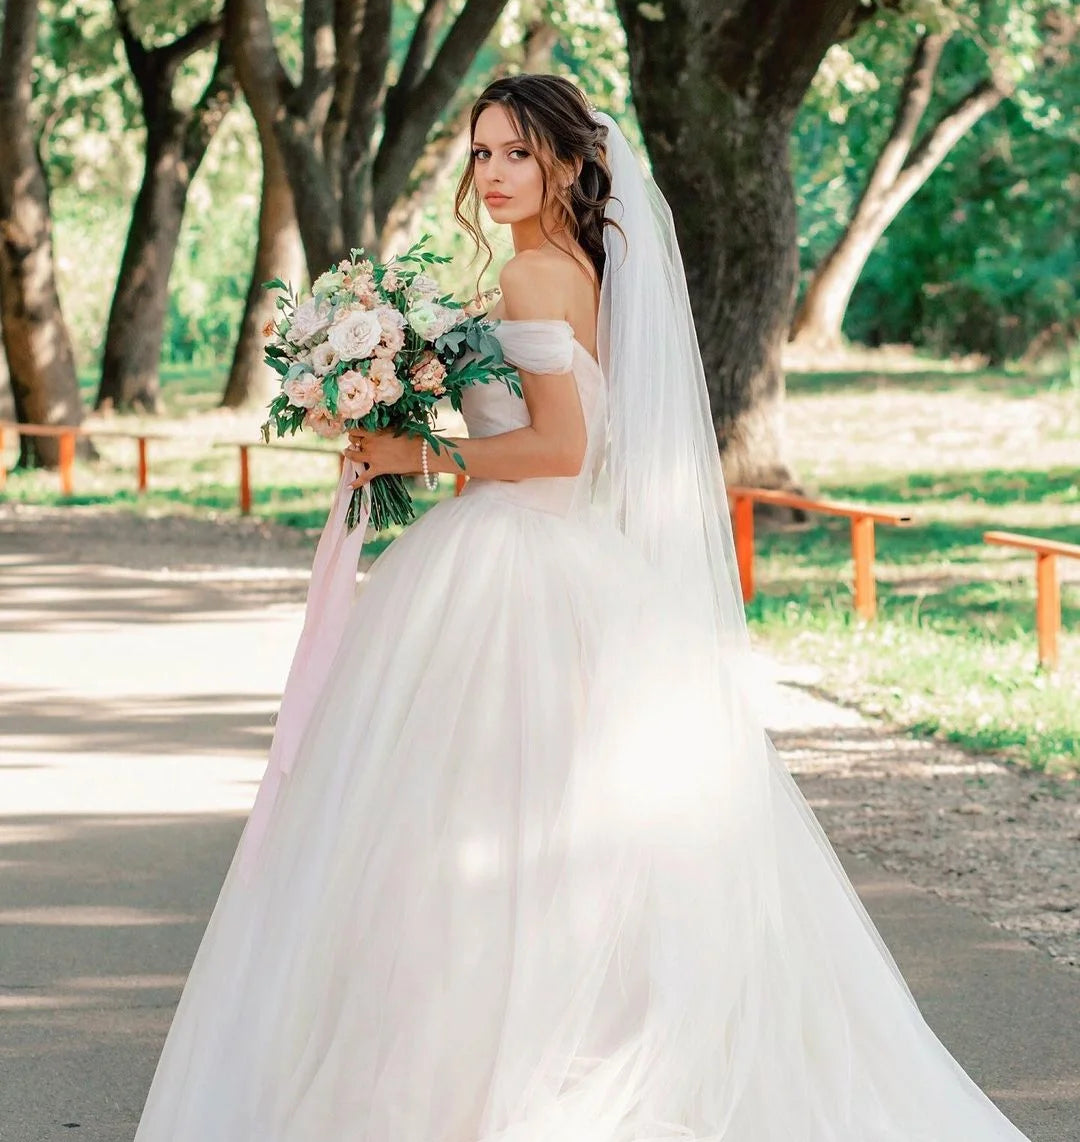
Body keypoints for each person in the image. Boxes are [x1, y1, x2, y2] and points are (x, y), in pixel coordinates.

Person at [133, 74, 1034, 1140]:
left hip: (511, 564)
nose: (494, 173)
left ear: (568, 162)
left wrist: (418, 450)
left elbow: (561, 448)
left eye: (518, 153)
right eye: (482, 153)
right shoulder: (580, 271)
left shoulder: (531, 276)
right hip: (556, 559)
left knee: (460, 834)